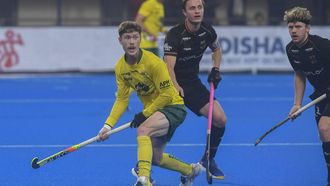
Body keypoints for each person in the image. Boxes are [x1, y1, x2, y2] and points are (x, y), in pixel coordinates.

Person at [98, 21, 201, 186]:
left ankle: (144, 180)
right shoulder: (121, 68)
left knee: (143, 129)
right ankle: (190, 171)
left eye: (135, 37)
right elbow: (122, 99)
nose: (131, 42)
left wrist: (145, 114)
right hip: (155, 112)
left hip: (173, 106)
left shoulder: (153, 63)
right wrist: (108, 126)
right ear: (120, 41)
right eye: (127, 38)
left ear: (140, 39)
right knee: (155, 157)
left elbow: (167, 94)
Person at [163, 0, 227, 180]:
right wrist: (176, 88)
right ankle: (143, 165)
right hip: (168, 84)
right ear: (185, 12)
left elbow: (216, 49)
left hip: (191, 83)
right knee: (162, 128)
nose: (197, 11)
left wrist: (216, 68)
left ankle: (208, 159)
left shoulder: (208, 31)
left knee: (220, 119)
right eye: (192, 8)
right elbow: (168, 68)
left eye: (200, 7)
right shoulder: (175, 35)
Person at [284, 7, 330, 185]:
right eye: (290, 27)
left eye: (298, 26)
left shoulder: (323, 46)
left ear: (308, 28)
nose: (294, 31)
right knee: (324, 134)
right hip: (321, 93)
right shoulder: (291, 50)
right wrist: (297, 104)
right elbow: (300, 75)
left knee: (325, 128)